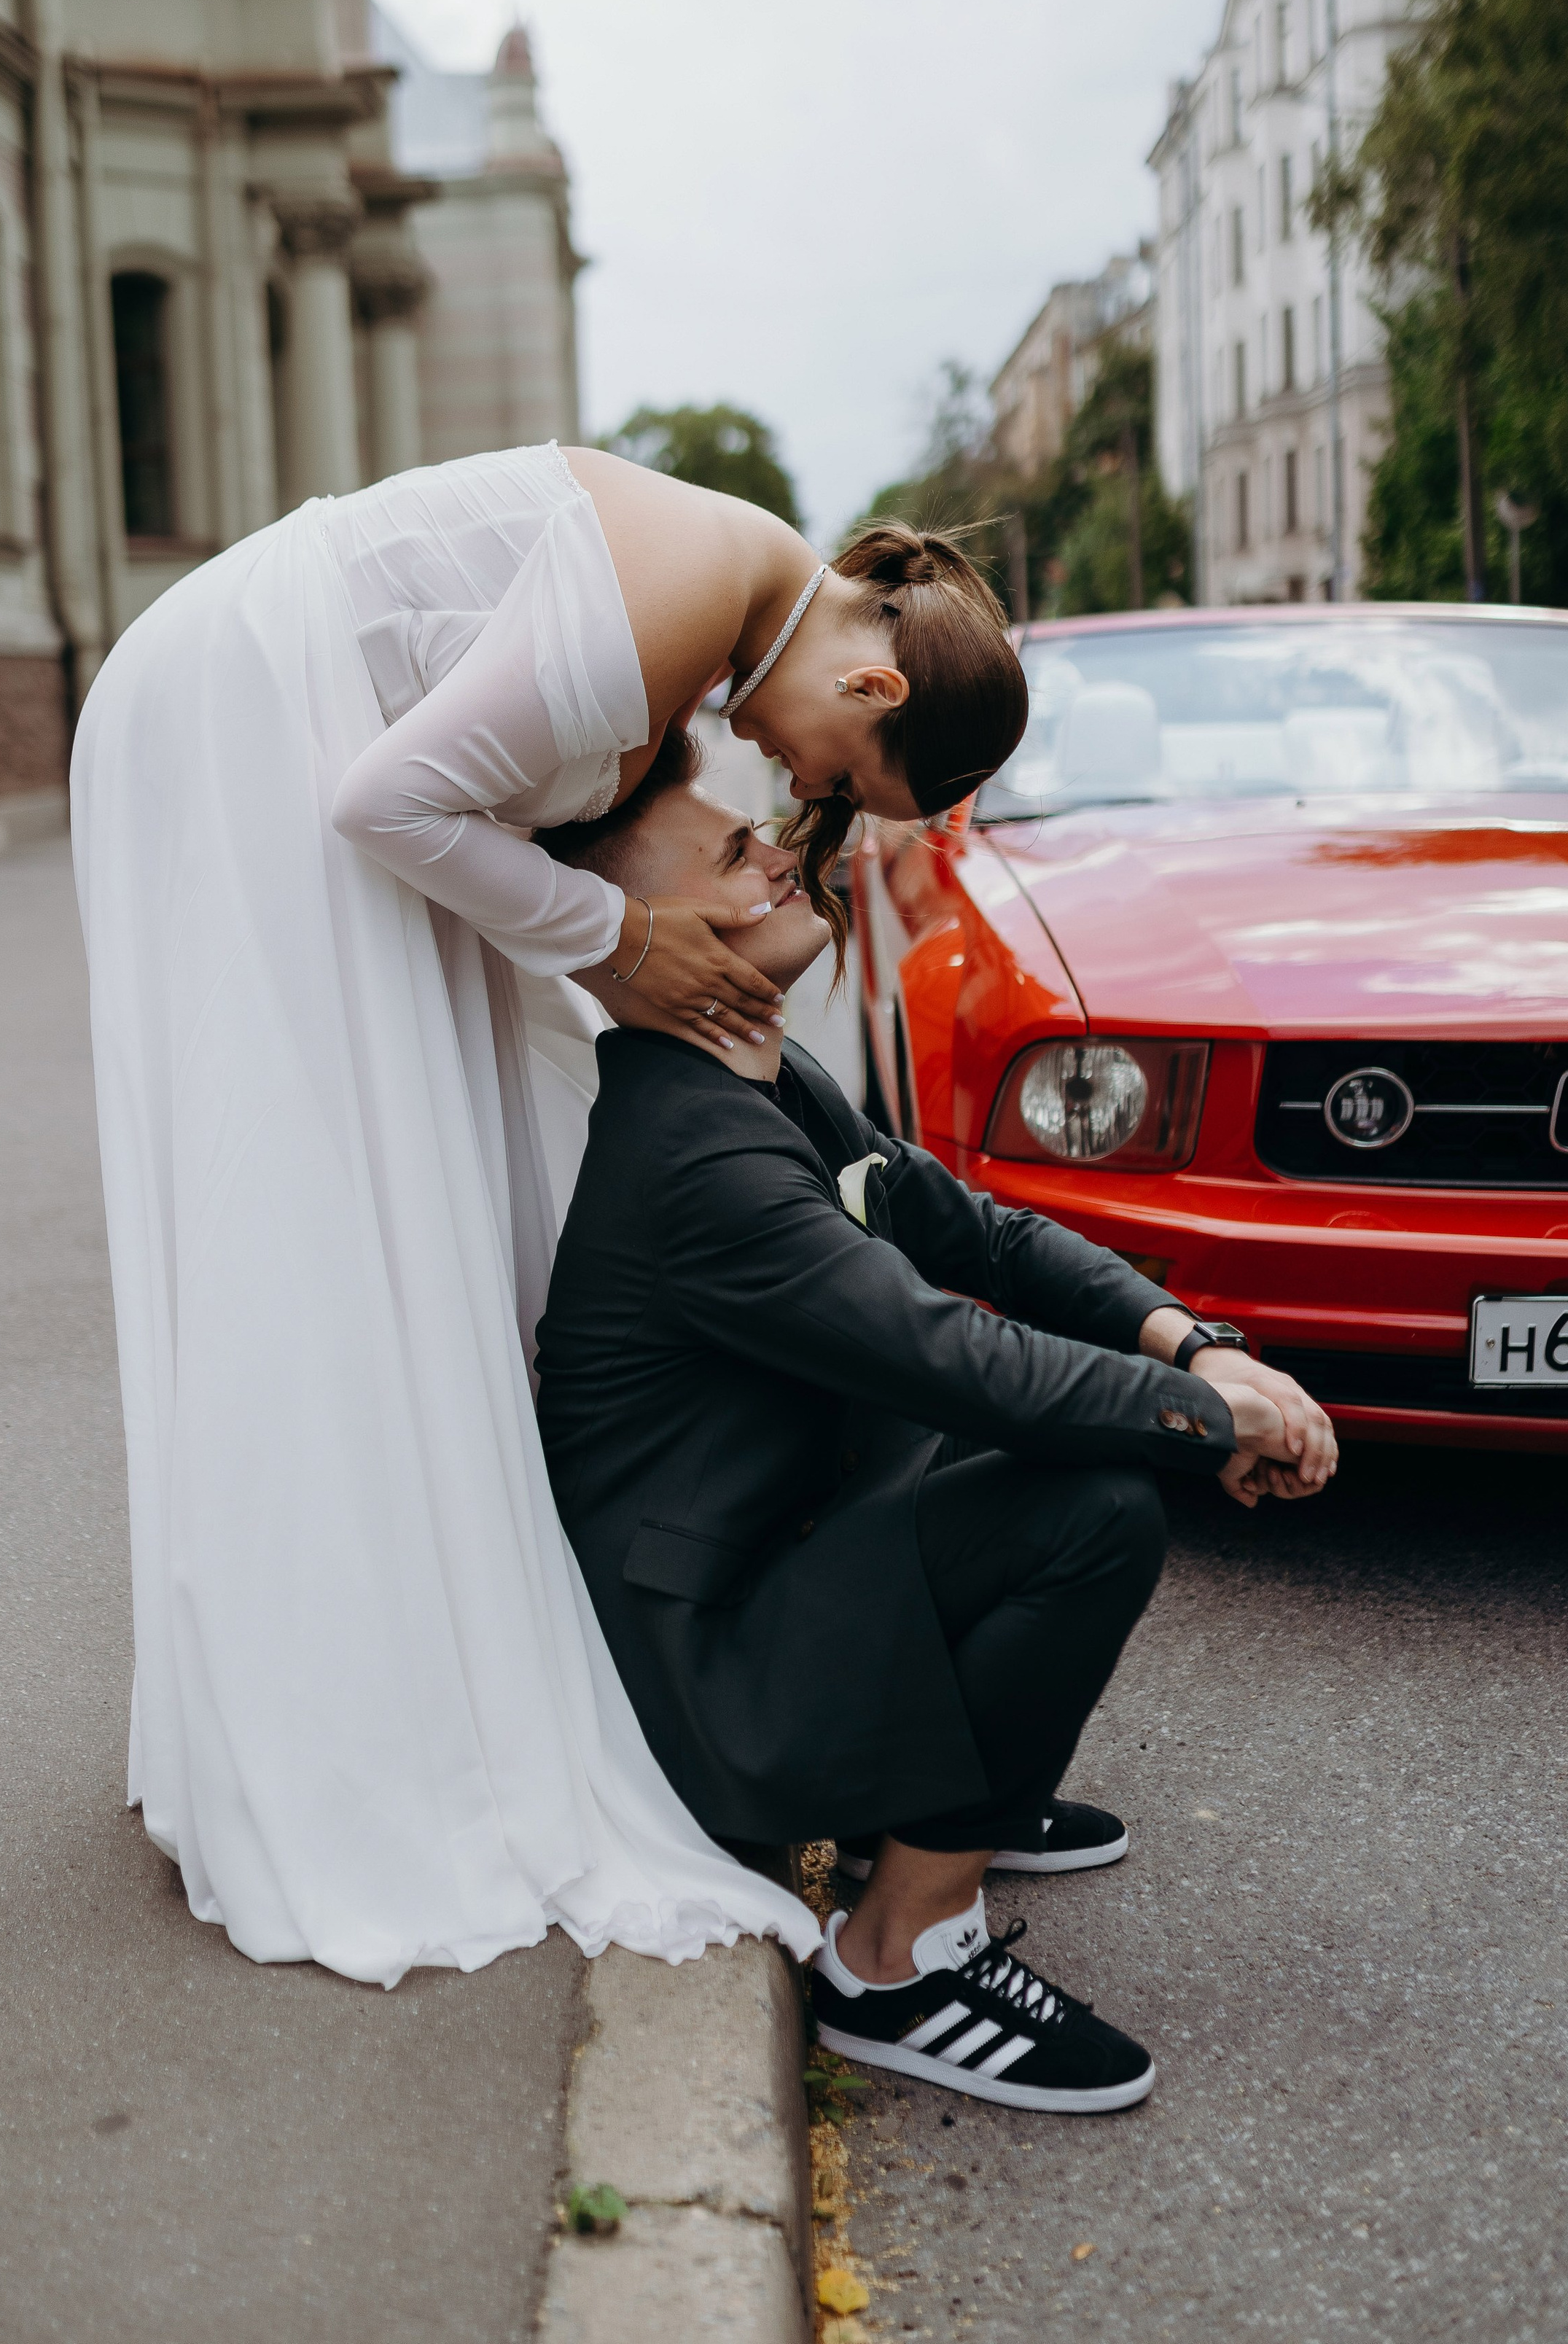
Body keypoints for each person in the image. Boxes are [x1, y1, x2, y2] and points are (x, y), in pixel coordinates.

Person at [69, 440, 1026, 1985]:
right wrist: (618, 942)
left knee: (423, 1217)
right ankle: (334, 1722)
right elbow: (389, 798)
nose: (794, 795)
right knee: (324, 1231)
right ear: (874, 695)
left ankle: (391, 1676)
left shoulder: (715, 611)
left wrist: (613, 941)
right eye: (834, 781)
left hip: (281, 729)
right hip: (247, 724)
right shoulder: (689, 592)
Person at [534, 743, 1337, 2111]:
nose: (783, 848)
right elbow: (952, 1355)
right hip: (710, 1679)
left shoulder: (764, 1081)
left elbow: (986, 1235)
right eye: (734, 854)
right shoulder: (690, 1157)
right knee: (1087, 1511)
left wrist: (1195, 1345)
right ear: (648, 939)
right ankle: (901, 1959)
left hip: (781, 1552)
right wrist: (1210, 1420)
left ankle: (940, 1789)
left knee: (1041, 1446)